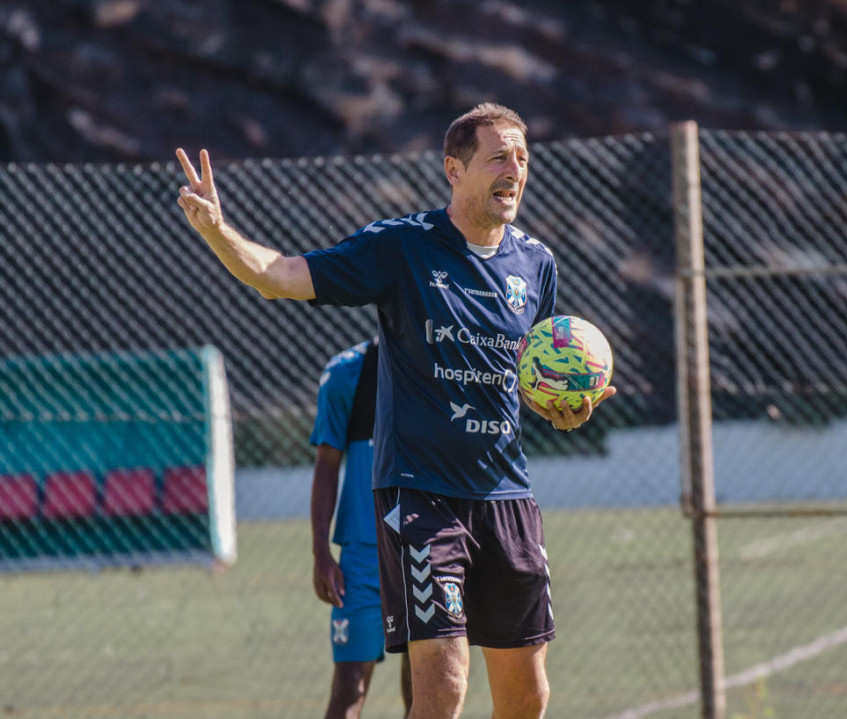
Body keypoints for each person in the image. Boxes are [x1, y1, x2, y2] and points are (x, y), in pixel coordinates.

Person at [176, 102, 616, 719]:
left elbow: (533, 380)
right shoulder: (404, 247)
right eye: (498, 157)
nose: (514, 168)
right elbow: (280, 276)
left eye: (522, 157)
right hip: (420, 496)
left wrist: (565, 410)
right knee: (443, 688)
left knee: (528, 697)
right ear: (454, 171)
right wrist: (218, 230)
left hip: (507, 496)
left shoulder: (536, 264)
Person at [310, 337, 412, 718]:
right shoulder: (346, 373)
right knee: (349, 688)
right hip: (363, 559)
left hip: (429, 549)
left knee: (425, 689)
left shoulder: (444, 367)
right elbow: (326, 464)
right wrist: (321, 552)